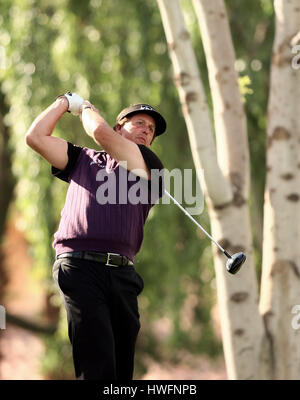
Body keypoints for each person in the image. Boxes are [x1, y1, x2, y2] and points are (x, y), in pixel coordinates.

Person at [25, 92, 166, 380]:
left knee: (121, 372)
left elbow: (99, 131)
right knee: (98, 369)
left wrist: (85, 107)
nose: (146, 131)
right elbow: (36, 137)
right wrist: (63, 102)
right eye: (139, 123)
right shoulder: (82, 159)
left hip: (123, 277)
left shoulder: (150, 166)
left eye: (150, 130)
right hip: (79, 268)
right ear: (120, 127)